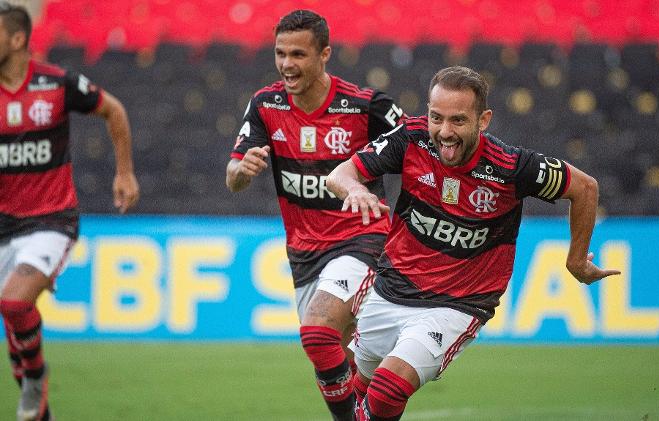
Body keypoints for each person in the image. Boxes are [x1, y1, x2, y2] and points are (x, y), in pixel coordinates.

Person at [326, 65, 621, 421]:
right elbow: (340, 174)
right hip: (390, 289)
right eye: (436, 117)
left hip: (457, 304)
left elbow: (584, 187)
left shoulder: (511, 167)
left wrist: (575, 261)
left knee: (388, 389)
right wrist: (356, 189)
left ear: (484, 120)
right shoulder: (410, 138)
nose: (444, 132)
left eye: (458, 121)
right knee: (363, 384)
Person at [225, 10, 404, 421]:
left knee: (318, 332)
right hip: (304, 255)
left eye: (299, 54)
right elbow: (232, 177)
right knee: (336, 360)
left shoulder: (364, 106)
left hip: (361, 240)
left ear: (325, 54)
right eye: (280, 53)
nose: (287, 64)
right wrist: (242, 169)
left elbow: (418, 148)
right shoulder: (265, 105)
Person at [0, 3, 140, 420]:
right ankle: (38, 405)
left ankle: (37, 378)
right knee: (14, 337)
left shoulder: (57, 84)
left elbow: (113, 110)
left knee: (14, 304)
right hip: (4, 225)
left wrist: (125, 174)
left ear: (18, 39)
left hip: (50, 220)